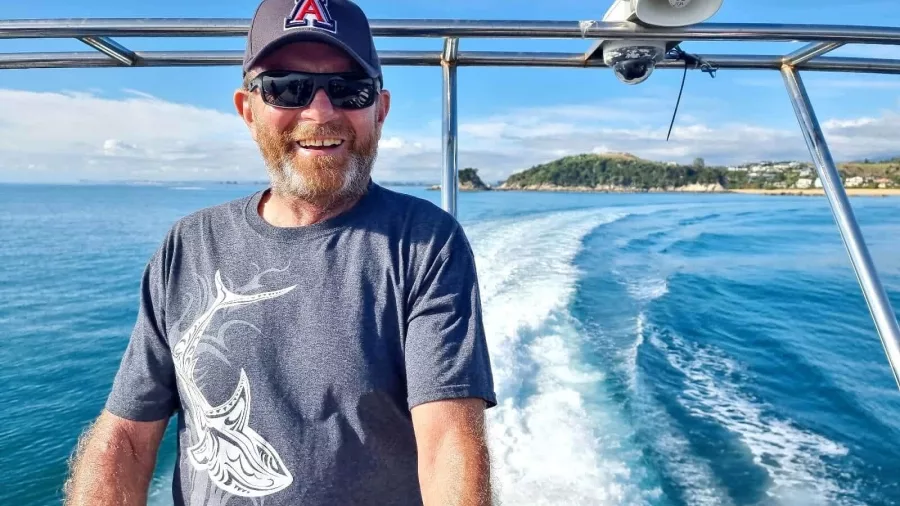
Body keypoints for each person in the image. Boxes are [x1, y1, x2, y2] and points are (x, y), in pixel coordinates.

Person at [63, 0, 497, 504]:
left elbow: (447, 445)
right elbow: (126, 439)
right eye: (285, 88)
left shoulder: (424, 244)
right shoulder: (187, 245)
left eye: (348, 90)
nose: (320, 112)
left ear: (379, 109)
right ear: (249, 110)